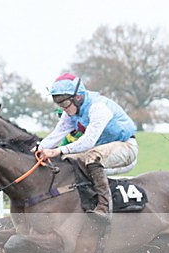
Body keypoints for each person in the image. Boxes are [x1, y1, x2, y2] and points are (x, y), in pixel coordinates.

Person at [38, 73, 138, 222]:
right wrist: (36, 150)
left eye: (64, 103)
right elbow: (55, 136)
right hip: (100, 151)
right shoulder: (70, 112)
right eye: (58, 103)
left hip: (125, 147)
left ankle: (104, 208)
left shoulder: (98, 107)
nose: (62, 108)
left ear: (77, 97)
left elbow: (88, 142)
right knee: (63, 161)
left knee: (91, 157)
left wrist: (58, 150)